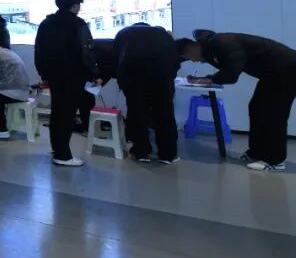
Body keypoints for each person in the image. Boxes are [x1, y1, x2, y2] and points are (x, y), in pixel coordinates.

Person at [178, 30, 296, 172]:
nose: (194, 61)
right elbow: (226, 70)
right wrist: (205, 79)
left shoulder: (220, 42)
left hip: (288, 70)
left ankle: (275, 160)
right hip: (272, 74)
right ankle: (256, 152)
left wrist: (210, 79)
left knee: (274, 114)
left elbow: (232, 74)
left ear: (191, 47)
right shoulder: (210, 48)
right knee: (256, 108)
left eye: (189, 57)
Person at [35, 0, 102, 167]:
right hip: (74, 76)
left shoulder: (46, 23)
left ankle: (57, 148)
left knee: (57, 112)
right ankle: (63, 155)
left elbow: (39, 51)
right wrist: (94, 74)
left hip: (54, 76)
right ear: (74, 5)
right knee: (67, 115)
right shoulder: (78, 24)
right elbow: (87, 51)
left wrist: (44, 74)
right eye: (79, 4)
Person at [114, 23, 180, 164]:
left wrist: (122, 82)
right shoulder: (163, 34)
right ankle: (168, 155)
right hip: (161, 77)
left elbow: (116, 59)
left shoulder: (124, 33)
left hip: (133, 77)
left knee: (137, 112)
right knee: (164, 113)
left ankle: (141, 152)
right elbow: (175, 60)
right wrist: (169, 79)